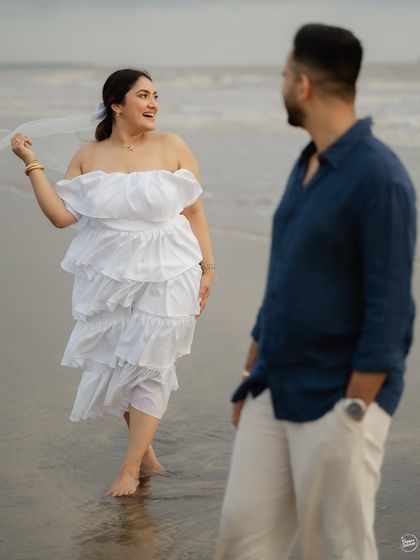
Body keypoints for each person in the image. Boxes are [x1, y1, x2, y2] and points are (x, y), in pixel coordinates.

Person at [214, 23, 416, 560]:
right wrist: (252, 368)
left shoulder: (381, 178)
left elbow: (391, 307)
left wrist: (354, 410)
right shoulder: (307, 163)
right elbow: (284, 275)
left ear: (303, 85)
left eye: (283, 76)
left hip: (338, 399)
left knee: (337, 548)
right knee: (243, 534)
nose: (281, 86)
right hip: (273, 383)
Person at [10, 68, 216, 498]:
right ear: (117, 104)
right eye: (144, 95)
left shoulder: (173, 145)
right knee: (123, 362)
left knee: (153, 364)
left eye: (156, 95)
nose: (154, 103)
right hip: (111, 277)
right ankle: (147, 454)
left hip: (170, 269)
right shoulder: (88, 156)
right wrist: (31, 165)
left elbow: (194, 212)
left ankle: (128, 469)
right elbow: (61, 217)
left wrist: (208, 268)